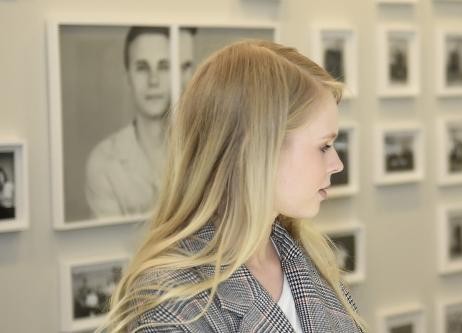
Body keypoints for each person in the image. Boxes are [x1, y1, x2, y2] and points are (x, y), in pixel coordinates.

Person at [102, 40, 365, 332]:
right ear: (258, 148)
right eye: (324, 146)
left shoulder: (306, 256)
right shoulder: (170, 306)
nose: (337, 164)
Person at [85, 26, 171, 218]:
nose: (154, 80)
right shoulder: (102, 162)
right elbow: (107, 243)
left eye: (164, 66)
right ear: (127, 78)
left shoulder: (200, 150)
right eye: (142, 68)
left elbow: (212, 229)